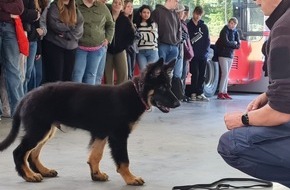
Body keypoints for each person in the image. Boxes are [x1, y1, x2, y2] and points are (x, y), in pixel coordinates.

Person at [217, 0, 290, 187]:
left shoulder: (283, 29)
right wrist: (269, 94)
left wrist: (243, 119)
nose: (256, 1)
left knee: (231, 144)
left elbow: (281, 112)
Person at [72, 0, 114, 85]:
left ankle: (89, 97)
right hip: (79, 47)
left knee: (91, 75)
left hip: (97, 48)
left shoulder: (102, 7)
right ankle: (76, 96)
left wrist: (108, 39)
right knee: (77, 74)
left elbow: (111, 24)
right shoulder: (75, 4)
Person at [42, 0, 84, 83]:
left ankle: (65, 96)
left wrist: (66, 35)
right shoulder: (54, 6)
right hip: (55, 46)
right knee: (55, 77)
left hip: (71, 48)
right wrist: (72, 26)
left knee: (68, 78)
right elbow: (55, 25)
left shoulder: (75, 9)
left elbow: (79, 30)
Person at [0, 0, 24, 116]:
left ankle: (18, 109)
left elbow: (19, 8)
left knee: (13, 70)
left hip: (10, 28)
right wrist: (8, 14)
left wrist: (2, 7)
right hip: (8, 23)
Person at [104, 0, 135, 85]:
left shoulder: (125, 20)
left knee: (123, 75)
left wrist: (124, 46)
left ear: (122, 7)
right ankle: (108, 95)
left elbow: (131, 36)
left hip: (120, 51)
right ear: (112, 4)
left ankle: (120, 95)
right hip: (107, 50)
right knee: (108, 76)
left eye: (119, 3)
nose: (117, 5)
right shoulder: (106, 16)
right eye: (115, 2)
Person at [185, 5, 210, 101]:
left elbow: (207, 40)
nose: (197, 16)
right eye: (196, 14)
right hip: (193, 55)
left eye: (200, 15)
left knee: (202, 74)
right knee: (194, 73)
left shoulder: (204, 27)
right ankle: (193, 92)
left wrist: (205, 52)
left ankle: (200, 92)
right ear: (193, 13)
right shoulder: (188, 26)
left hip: (203, 55)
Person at [215, 17, 240, 100]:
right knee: (224, 73)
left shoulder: (236, 32)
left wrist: (232, 44)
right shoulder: (224, 31)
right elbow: (225, 42)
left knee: (227, 74)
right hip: (223, 55)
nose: (232, 25)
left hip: (230, 55)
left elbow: (238, 45)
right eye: (231, 23)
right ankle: (220, 92)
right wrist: (233, 43)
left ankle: (225, 92)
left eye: (234, 24)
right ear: (229, 23)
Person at [135, 4, 158, 71]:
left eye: (148, 12)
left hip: (152, 51)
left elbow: (153, 37)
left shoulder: (153, 24)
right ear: (140, 13)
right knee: (144, 72)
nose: (146, 14)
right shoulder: (136, 25)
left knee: (151, 73)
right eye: (144, 12)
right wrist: (147, 34)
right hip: (140, 51)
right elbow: (136, 38)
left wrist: (140, 35)